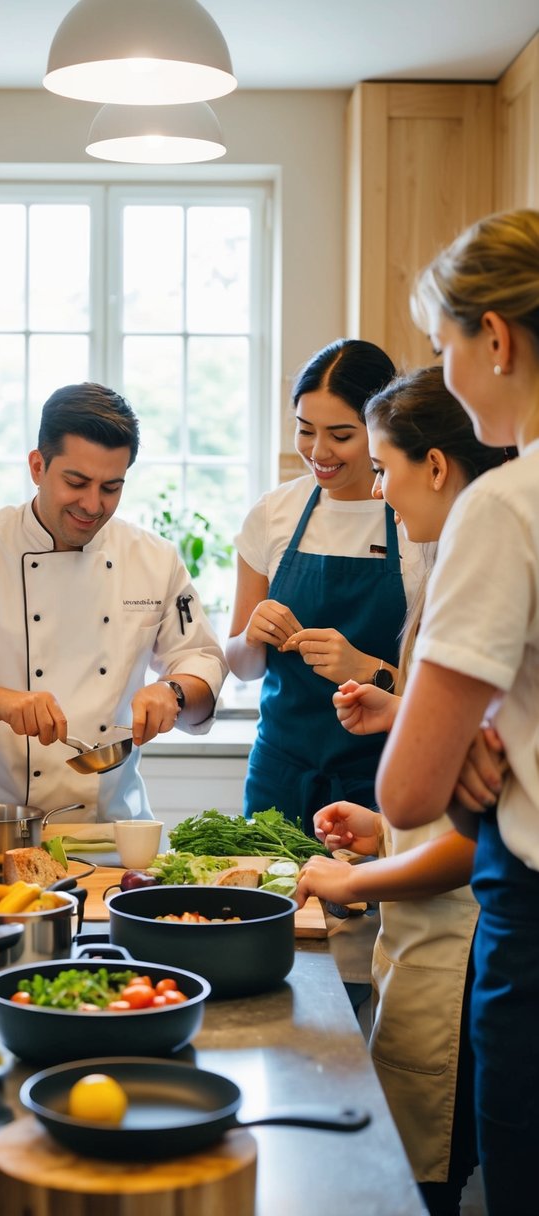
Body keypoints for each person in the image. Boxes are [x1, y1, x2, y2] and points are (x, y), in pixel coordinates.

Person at [295, 366, 508, 1216]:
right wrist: (383, 831)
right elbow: (457, 800)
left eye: (381, 466)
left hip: (466, 950)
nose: (376, 489)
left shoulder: (479, 577)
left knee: (431, 1187)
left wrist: (353, 879)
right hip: (426, 943)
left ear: (435, 467)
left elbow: (476, 837)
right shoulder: (450, 563)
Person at [375, 209, 539, 1216]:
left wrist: (477, 748)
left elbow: (408, 784)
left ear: (496, 337)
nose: (447, 371)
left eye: (445, 348)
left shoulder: (508, 502)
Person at [0, 382, 227, 821]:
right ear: (37, 466)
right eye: (76, 482)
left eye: (111, 487)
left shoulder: (153, 560)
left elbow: (203, 662)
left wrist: (172, 692)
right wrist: (2, 703)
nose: (92, 504)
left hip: (108, 838)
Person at [226, 339, 431, 830]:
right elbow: (242, 667)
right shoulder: (273, 514)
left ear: (381, 428)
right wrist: (252, 636)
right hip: (279, 773)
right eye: (304, 430)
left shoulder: (417, 522)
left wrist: (366, 668)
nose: (318, 452)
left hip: (381, 780)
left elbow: (440, 699)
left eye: (340, 434)